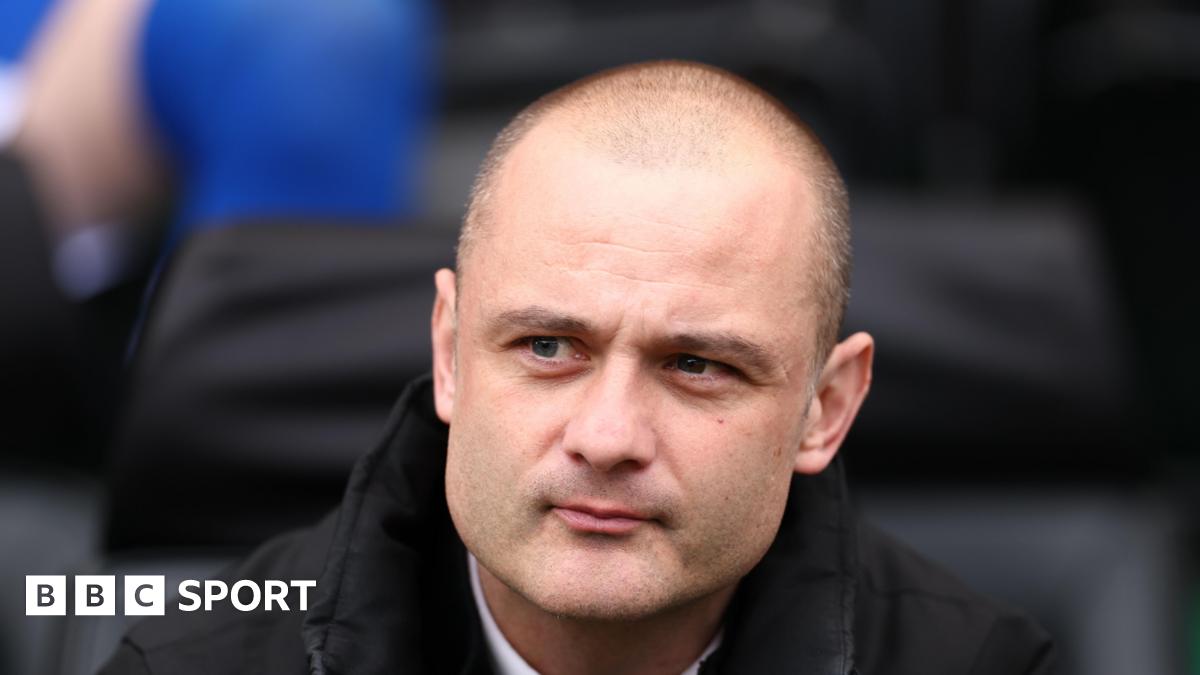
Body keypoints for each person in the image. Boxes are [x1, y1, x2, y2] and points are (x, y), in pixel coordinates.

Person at [100, 60, 1055, 675]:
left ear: (826, 408)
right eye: (548, 347)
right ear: (448, 352)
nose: (605, 437)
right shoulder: (193, 664)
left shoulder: (981, 665)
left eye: (696, 364)